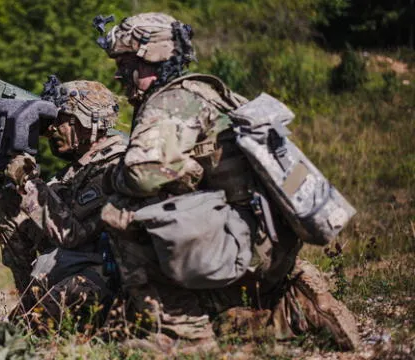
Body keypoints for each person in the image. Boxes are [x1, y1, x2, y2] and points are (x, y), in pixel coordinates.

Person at [93, 12, 359, 350]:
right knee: (225, 324)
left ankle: (182, 337)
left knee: (120, 211)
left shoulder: (171, 101)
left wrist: (111, 176)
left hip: (239, 247)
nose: (119, 74)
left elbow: (140, 174)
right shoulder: (214, 93)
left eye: (125, 62)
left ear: (150, 59)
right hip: (271, 244)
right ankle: (298, 310)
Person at [0, 78, 127, 331]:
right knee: (11, 207)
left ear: (87, 123)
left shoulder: (112, 167)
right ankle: (27, 300)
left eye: (61, 120)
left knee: (30, 327)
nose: (52, 128)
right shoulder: (81, 166)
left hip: (105, 272)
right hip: (73, 261)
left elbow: (70, 233)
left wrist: (29, 182)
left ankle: (32, 314)